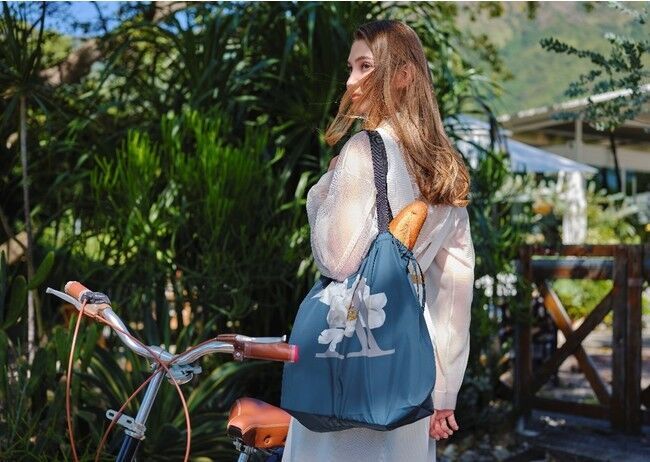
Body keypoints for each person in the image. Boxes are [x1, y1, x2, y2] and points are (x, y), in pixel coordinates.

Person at [282, 19, 475, 462]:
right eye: (351, 68)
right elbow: (454, 293)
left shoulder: (363, 150)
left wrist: (324, 188)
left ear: (403, 75)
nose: (351, 82)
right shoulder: (444, 170)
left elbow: (336, 260)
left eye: (365, 66)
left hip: (351, 367)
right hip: (409, 373)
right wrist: (444, 392)